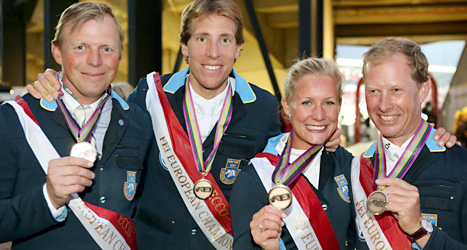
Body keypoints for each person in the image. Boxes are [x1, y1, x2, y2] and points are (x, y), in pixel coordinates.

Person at [0, 2, 155, 249]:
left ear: (120, 55)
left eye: (107, 48)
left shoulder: (140, 122)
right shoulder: (14, 119)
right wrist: (48, 198)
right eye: (81, 47)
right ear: (58, 52)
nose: (95, 61)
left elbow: (149, 214)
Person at [230, 58, 360, 250]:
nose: (319, 115)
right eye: (307, 102)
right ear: (287, 107)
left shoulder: (347, 163)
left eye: (329, 103)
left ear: (339, 106)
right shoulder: (256, 176)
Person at [351, 37, 467, 250]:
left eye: (396, 90)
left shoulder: (460, 164)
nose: (384, 105)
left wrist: (419, 231)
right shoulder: (354, 168)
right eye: (374, 91)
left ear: (423, 91)